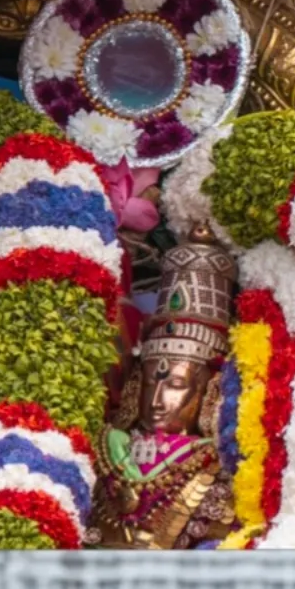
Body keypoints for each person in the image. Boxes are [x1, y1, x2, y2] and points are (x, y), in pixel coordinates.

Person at [91, 224, 237, 549]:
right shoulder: (105, 450)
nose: (157, 400)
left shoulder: (215, 465)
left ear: (208, 392)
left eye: (177, 384)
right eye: (149, 384)